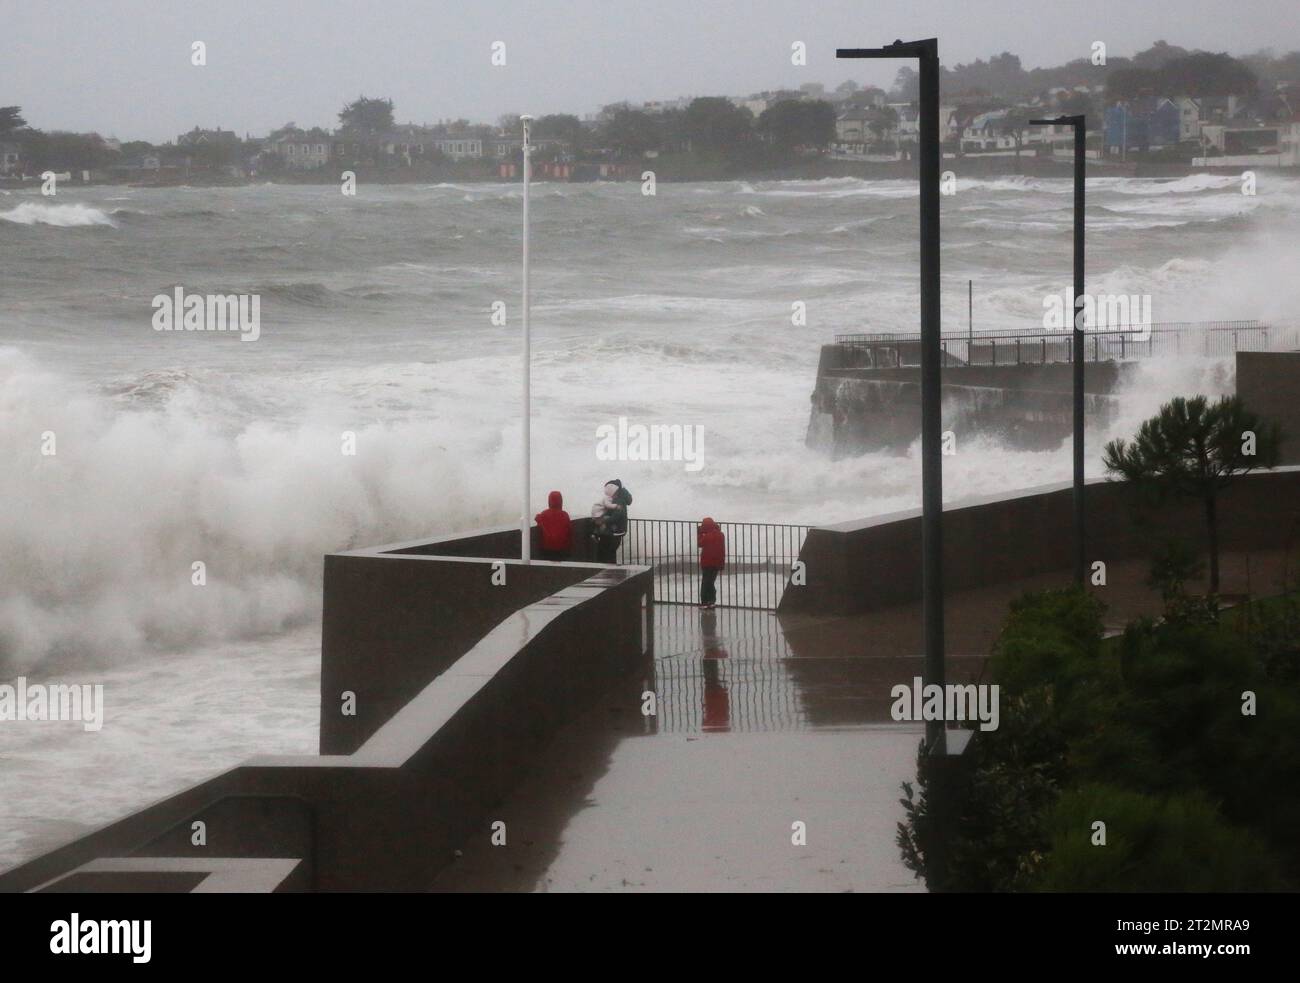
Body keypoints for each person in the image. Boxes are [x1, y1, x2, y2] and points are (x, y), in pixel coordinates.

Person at [595, 478, 632, 563]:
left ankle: (608, 573)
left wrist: (603, 520)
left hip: (614, 532)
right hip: (617, 531)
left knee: (607, 554)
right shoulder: (619, 499)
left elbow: (616, 516)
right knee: (610, 554)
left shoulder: (618, 501)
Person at [534, 490, 572, 561]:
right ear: (561, 501)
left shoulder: (544, 514)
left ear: (549, 501)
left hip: (546, 551)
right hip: (562, 551)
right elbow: (569, 533)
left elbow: (539, 522)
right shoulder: (565, 515)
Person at [697, 516, 725, 609]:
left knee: (705, 582)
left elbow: (700, 544)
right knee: (711, 582)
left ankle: (705, 602)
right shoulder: (721, 535)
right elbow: (722, 550)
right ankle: (712, 601)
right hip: (717, 562)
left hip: (707, 563)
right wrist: (722, 563)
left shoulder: (707, 536)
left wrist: (699, 533)